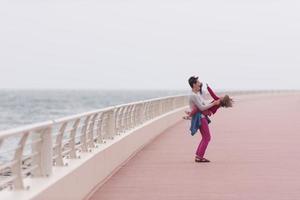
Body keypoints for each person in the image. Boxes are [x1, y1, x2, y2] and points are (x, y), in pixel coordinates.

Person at [187, 76, 221, 163]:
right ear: (194, 84)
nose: (200, 84)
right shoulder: (193, 95)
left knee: (205, 137)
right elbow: (202, 108)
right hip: (200, 118)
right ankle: (199, 157)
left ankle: (198, 156)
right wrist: (214, 104)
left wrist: (214, 103)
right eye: (198, 82)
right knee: (207, 137)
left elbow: (203, 104)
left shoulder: (196, 94)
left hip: (201, 117)